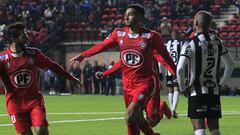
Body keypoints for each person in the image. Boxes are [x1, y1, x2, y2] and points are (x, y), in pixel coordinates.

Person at [70, 4, 176, 135]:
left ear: (140, 17)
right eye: (125, 13)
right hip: (128, 86)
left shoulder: (152, 36)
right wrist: (83, 56)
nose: (126, 16)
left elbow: (166, 58)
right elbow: (102, 46)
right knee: (136, 118)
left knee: (130, 116)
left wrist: (178, 74)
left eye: (130, 14)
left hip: (145, 83)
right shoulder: (118, 34)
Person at [0, 22, 81, 135]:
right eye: (23, 35)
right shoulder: (2, 60)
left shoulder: (33, 54)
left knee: (42, 130)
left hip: (34, 101)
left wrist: (70, 77)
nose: (27, 38)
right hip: (15, 104)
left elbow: (52, 65)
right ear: (14, 38)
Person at [177, 11, 235, 135]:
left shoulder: (191, 43)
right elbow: (231, 64)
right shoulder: (218, 41)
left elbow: (180, 69)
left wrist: (182, 88)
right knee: (215, 129)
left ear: (196, 22)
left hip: (196, 92)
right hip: (213, 92)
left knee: (199, 130)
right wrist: (221, 83)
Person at [163, 30, 182, 118]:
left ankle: (171, 110)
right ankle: (173, 109)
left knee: (170, 89)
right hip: (177, 69)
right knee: (176, 89)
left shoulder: (167, 44)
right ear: (177, 35)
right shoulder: (180, 44)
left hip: (168, 69)